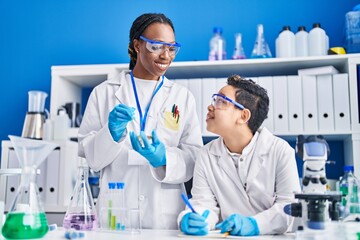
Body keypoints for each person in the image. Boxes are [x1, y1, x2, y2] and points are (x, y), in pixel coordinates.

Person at [78, 13, 203, 229]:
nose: (166, 55)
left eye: (172, 48)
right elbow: (91, 160)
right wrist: (111, 134)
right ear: (137, 45)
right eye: (157, 46)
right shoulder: (104, 93)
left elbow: (194, 159)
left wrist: (163, 158)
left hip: (164, 215)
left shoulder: (182, 97)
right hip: (116, 210)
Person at [178, 75, 301, 236]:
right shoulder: (206, 154)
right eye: (214, 99)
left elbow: (290, 208)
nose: (210, 107)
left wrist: (255, 224)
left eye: (221, 101)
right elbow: (203, 203)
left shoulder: (280, 150)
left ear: (243, 116)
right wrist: (195, 217)